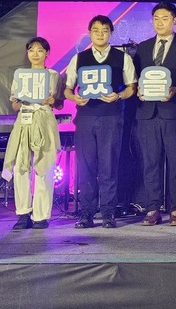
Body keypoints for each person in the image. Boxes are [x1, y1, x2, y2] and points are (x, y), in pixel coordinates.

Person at [63, 16, 137, 229]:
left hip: (111, 117)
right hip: (86, 117)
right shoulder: (79, 58)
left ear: (110, 33)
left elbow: (132, 87)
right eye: (96, 30)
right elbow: (67, 89)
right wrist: (74, 98)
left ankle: (108, 213)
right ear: (89, 33)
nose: (100, 34)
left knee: (109, 166)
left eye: (105, 30)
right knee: (85, 165)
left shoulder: (122, 57)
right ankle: (87, 213)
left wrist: (119, 96)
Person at [133, 2, 176, 227]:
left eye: (165, 18)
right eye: (156, 18)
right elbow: (135, 78)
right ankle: (153, 208)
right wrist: (137, 91)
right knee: (150, 162)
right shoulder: (142, 48)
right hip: (147, 113)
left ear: (174, 20)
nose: (160, 22)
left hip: (174, 111)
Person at [4, 38, 64, 230]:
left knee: (44, 167)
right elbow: (14, 105)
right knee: (21, 167)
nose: (35, 54)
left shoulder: (54, 75)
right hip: (24, 119)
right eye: (31, 50)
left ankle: (41, 215)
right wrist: (21, 102)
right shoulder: (20, 75)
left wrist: (52, 101)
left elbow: (60, 103)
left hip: (44, 119)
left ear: (47, 53)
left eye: (40, 50)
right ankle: (23, 213)